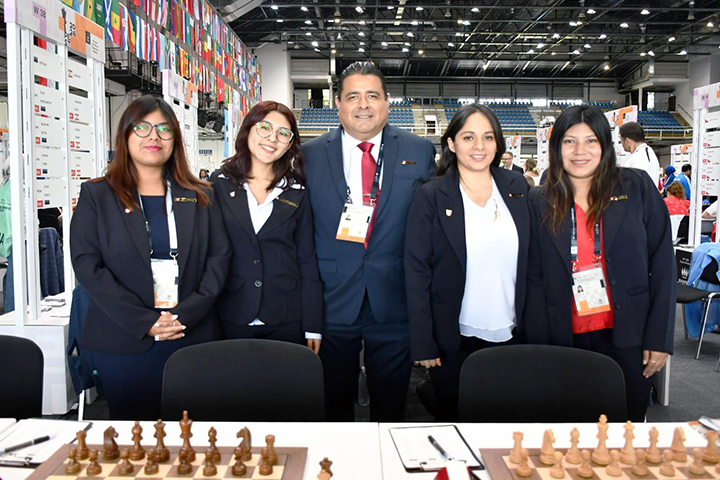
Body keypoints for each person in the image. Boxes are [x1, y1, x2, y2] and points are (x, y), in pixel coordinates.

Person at [70, 95, 231, 420]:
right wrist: (144, 322)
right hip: (123, 339)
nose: (153, 137)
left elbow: (219, 259)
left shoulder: (201, 195)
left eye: (163, 129)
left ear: (175, 139)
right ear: (125, 137)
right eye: (142, 127)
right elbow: (88, 265)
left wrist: (184, 315)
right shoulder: (97, 195)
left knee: (195, 442)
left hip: (190, 334)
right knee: (136, 442)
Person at [302, 61, 436, 421]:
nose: (363, 104)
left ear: (387, 102)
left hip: (393, 301)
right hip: (332, 301)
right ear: (339, 104)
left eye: (372, 95)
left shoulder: (420, 151)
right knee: (332, 406)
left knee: (392, 407)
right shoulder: (309, 154)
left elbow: (429, 229)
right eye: (353, 96)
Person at [526, 105, 675, 422]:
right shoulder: (539, 200)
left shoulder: (635, 188)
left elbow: (662, 265)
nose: (580, 151)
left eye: (591, 141)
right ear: (557, 148)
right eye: (569, 141)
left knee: (623, 433)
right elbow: (531, 277)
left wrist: (659, 339)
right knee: (566, 431)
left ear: (606, 146)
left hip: (627, 335)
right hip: (561, 336)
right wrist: (535, 346)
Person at [405, 104, 529, 421]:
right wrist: (424, 342)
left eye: (488, 137)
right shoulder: (431, 195)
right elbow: (416, 270)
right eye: (469, 137)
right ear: (451, 143)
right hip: (452, 337)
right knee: (456, 422)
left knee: (505, 423)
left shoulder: (517, 188)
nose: (479, 146)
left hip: (511, 333)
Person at [210, 101, 323, 351]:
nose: (272, 138)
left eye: (283, 133)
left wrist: (313, 324)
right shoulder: (218, 184)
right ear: (248, 130)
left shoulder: (297, 191)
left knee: (283, 389)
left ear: (290, 144)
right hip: (231, 311)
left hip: (286, 314)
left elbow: (307, 258)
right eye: (264, 128)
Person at [619, 122, 660, 188]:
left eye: (621, 140)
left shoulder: (639, 159)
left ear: (627, 141)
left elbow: (635, 187)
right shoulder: (646, 153)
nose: (622, 144)